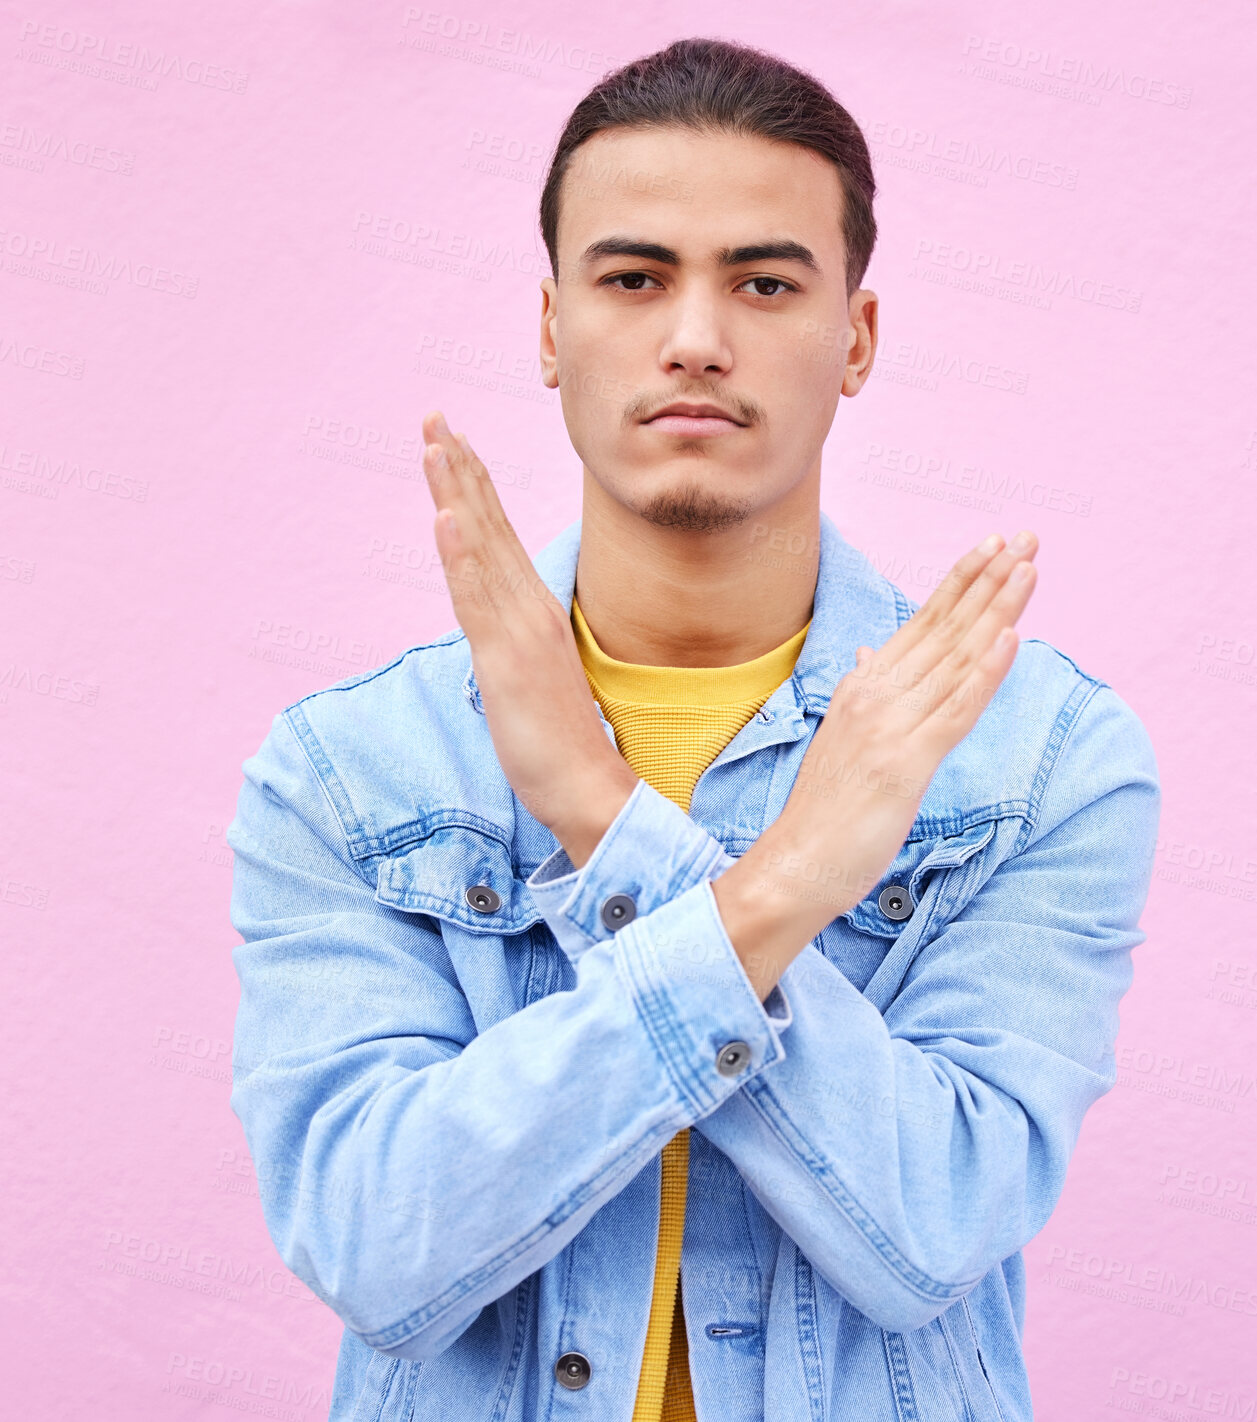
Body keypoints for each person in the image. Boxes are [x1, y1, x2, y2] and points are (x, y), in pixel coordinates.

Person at [227, 36, 1161, 1422]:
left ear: (855, 338)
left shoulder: (1029, 761)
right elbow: (382, 1248)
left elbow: (932, 1230)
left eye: (764, 281)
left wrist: (604, 824)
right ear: (550, 328)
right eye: (633, 275)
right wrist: (776, 889)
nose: (695, 337)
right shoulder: (351, 771)